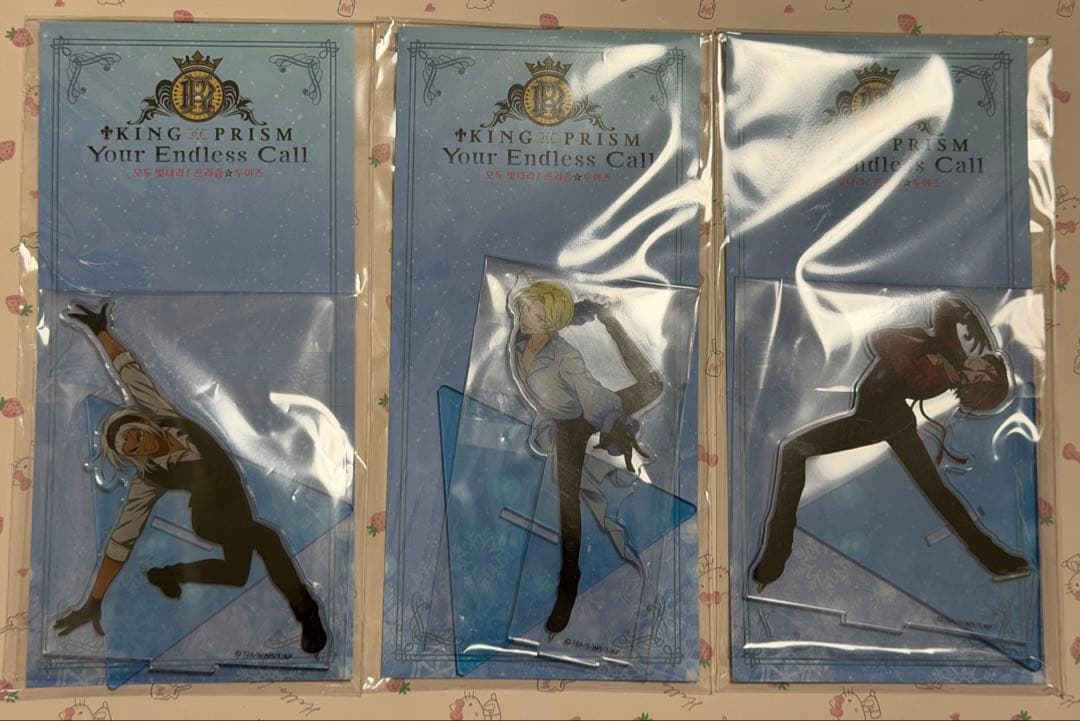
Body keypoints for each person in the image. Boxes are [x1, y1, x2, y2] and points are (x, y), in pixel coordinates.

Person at [53, 301, 327, 654]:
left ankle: (167, 574)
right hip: (210, 518)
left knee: (236, 574)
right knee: (267, 538)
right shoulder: (150, 478)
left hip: (237, 502)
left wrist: (101, 331)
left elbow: (129, 373)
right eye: (132, 450)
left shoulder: (162, 412)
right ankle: (307, 613)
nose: (140, 445)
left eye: (136, 436)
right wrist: (94, 600)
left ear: (141, 423)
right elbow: (121, 538)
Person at [752, 294, 1030, 592]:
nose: (979, 366)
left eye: (981, 376)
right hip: (890, 419)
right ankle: (992, 557)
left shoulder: (940, 374)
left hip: (879, 419)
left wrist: (937, 351)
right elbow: (929, 314)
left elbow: (886, 344)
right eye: (985, 367)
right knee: (937, 492)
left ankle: (776, 553)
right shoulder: (947, 349)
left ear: (974, 382)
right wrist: (963, 331)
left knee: (794, 450)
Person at [508, 280, 663, 634]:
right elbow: (526, 323)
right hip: (560, 419)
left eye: (533, 313)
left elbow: (590, 391)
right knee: (567, 503)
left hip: (583, 417)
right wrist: (569, 311)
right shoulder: (520, 338)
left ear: (548, 323)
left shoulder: (566, 356)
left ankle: (613, 323)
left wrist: (612, 423)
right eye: (525, 309)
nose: (523, 315)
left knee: (652, 385)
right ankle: (569, 578)